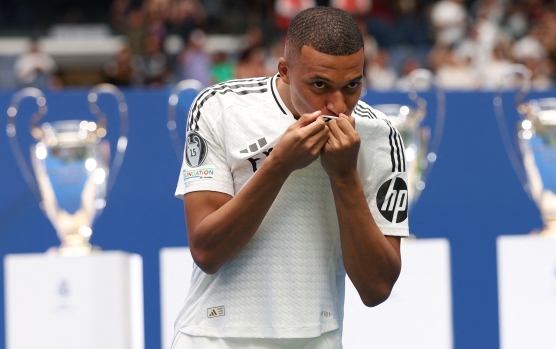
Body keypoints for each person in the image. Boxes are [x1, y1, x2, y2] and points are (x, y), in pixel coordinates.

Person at [172, 7, 409, 349]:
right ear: (284, 70)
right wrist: (279, 165)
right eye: (319, 85)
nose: (338, 105)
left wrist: (344, 177)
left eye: (352, 86)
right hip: (213, 337)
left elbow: (377, 289)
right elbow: (207, 251)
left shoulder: (380, 135)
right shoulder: (219, 107)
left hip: (319, 338)